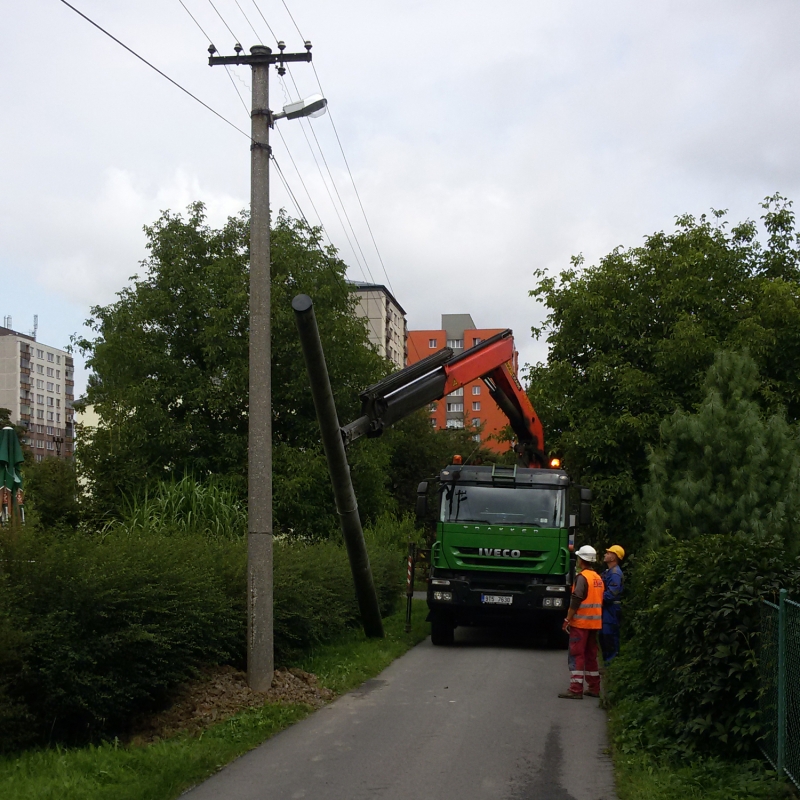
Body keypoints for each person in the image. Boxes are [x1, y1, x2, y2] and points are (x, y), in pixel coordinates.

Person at [558, 545, 603, 699]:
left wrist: (567, 619)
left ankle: (576, 689)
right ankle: (594, 687)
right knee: (591, 655)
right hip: (594, 624)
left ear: (581, 560)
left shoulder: (582, 577)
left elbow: (576, 599)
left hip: (581, 624)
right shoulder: (597, 577)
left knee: (577, 654)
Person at [600, 545, 625, 664]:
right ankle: (607, 661)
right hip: (606, 608)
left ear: (613, 557)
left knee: (609, 634)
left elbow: (611, 594)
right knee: (604, 635)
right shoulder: (607, 572)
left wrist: (596, 598)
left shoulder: (615, 574)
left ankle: (612, 662)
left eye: (608, 553)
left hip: (611, 609)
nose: (605, 554)